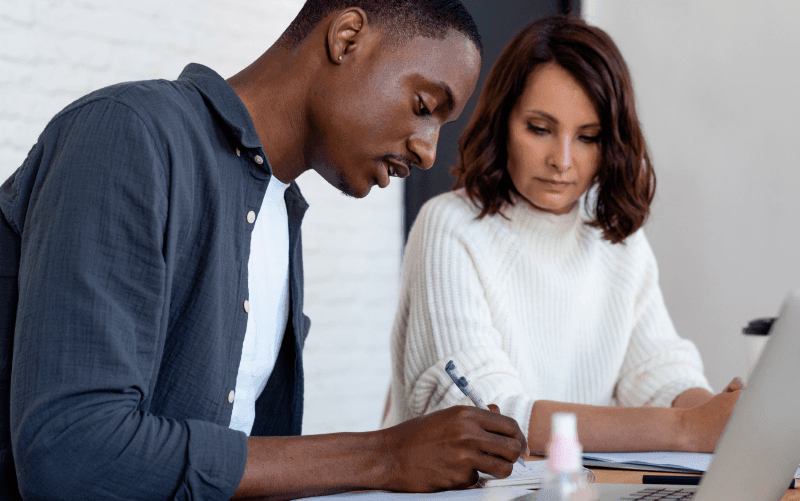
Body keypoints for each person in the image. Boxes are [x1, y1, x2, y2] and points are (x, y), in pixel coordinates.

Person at [0, 1, 531, 500]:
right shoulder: (129, 131)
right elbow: (70, 453)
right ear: (347, 38)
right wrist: (385, 455)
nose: (427, 149)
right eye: (423, 106)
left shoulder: (280, 210)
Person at [383, 15, 744, 455]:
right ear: (503, 124)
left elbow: (659, 375)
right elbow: (486, 418)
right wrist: (686, 428)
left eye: (589, 137)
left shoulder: (616, 239)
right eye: (540, 129)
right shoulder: (449, 228)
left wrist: (720, 419)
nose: (563, 160)